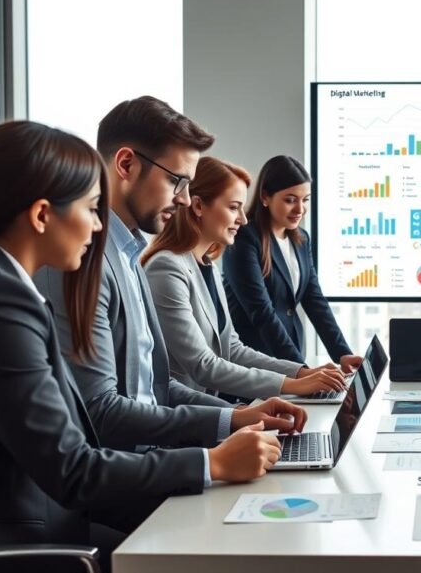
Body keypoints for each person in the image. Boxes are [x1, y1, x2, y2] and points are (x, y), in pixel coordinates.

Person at [0, 122, 289, 569]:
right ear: (41, 216)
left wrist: (220, 441)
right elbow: (74, 470)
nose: (97, 226)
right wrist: (211, 463)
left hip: (35, 522)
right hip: (16, 546)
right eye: (92, 209)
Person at [36, 96, 305, 452]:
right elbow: (100, 413)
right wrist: (215, 458)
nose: (183, 199)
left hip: (152, 457)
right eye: (176, 181)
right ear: (127, 164)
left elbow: (155, 386)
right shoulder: (82, 262)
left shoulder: (130, 255)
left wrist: (237, 416)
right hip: (128, 476)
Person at [142, 156, 349, 401]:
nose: (243, 218)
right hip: (181, 419)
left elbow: (232, 349)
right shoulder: (167, 267)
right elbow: (203, 365)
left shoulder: (206, 265)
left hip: (209, 408)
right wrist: (293, 385)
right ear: (197, 206)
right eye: (233, 207)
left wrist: (302, 372)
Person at [222, 155, 362, 372]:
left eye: (305, 199)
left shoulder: (301, 239)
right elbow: (261, 311)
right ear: (265, 197)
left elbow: (314, 300)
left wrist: (342, 353)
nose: (300, 209)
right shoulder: (244, 239)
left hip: (292, 352)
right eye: (290, 200)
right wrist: (302, 371)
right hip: (255, 361)